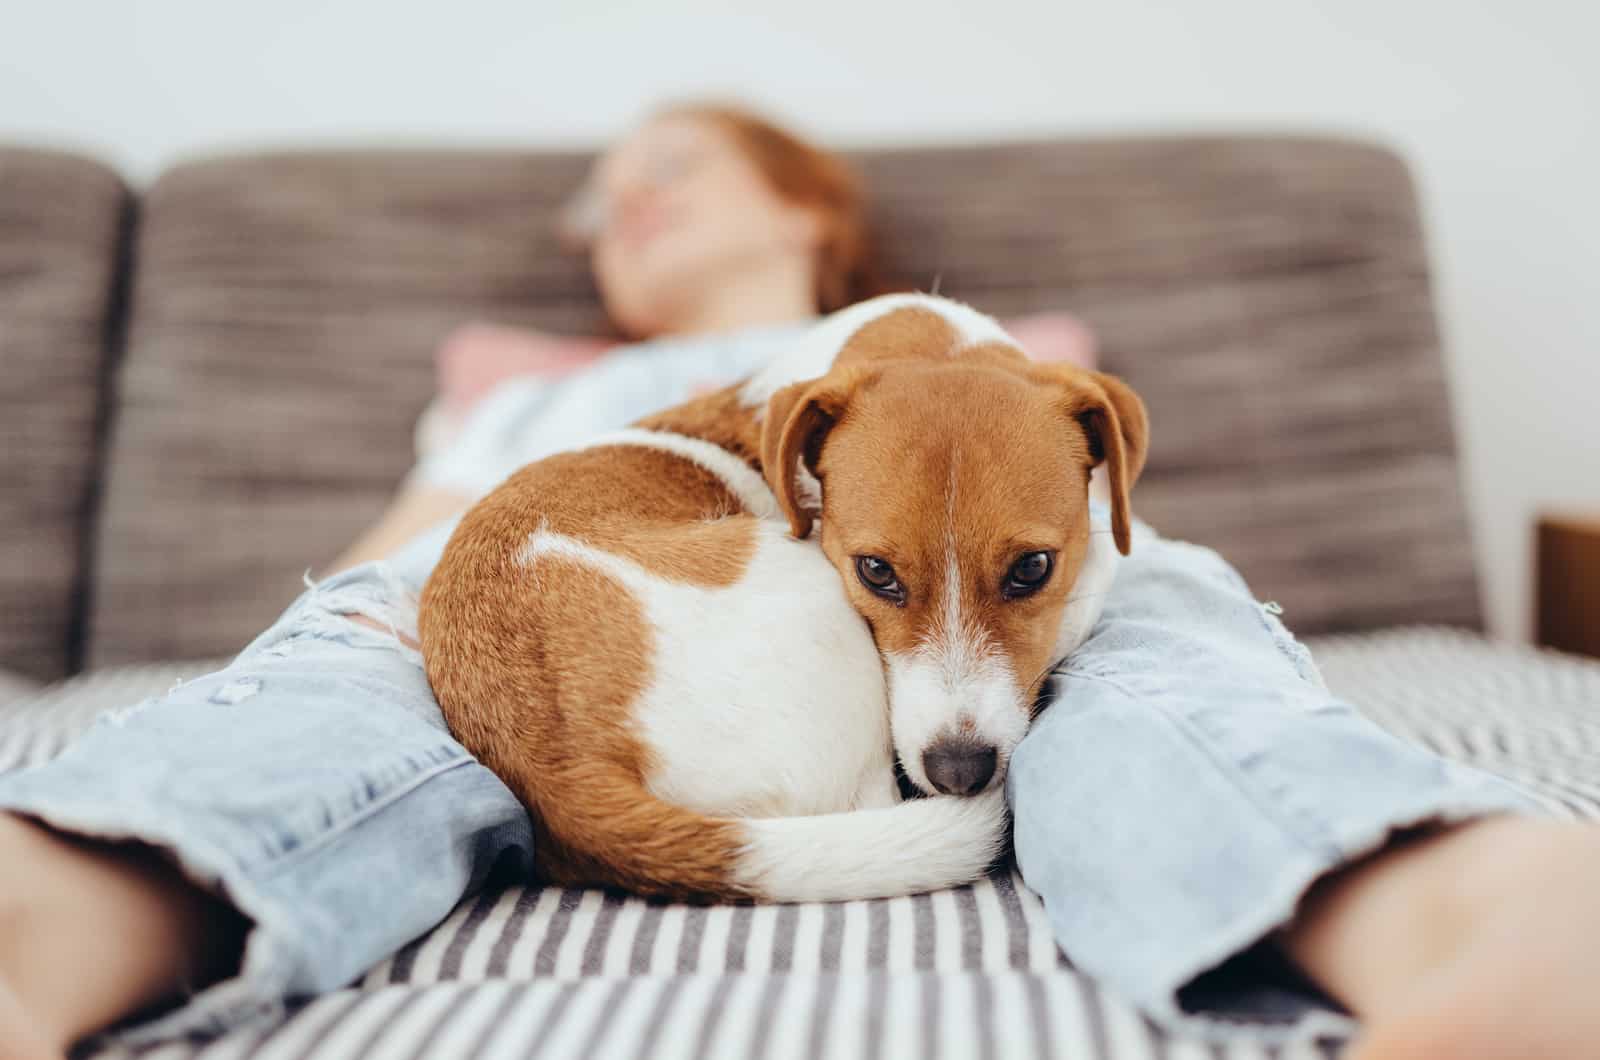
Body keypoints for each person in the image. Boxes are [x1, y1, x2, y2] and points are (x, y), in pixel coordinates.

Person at [1, 102, 1596, 1060]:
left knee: (1151, 634)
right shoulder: (517, 399)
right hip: (500, 568)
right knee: (351, 659)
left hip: (1008, 542)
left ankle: (1449, 896)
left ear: (802, 198)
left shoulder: (1011, 383)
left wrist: (1019, 558)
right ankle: (29, 923)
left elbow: (1059, 528)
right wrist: (312, 643)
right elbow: (369, 575)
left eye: (670, 166)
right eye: (595, 199)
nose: (618, 206)